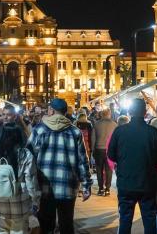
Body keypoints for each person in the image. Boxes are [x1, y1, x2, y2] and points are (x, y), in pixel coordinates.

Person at [28, 98, 92, 234]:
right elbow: (82, 161)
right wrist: (86, 184)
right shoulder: (74, 132)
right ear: (65, 112)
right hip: (68, 187)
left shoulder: (39, 130)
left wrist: (28, 185)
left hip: (45, 187)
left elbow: (29, 158)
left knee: (46, 226)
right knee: (67, 225)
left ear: (51, 110)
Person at [108, 98, 157, 234]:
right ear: (145, 112)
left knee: (125, 221)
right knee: (149, 220)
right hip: (147, 183)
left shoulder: (119, 131)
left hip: (126, 182)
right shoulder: (153, 132)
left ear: (130, 112)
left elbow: (111, 155)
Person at [0, 122, 40, 233]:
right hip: (20, 202)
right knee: (19, 230)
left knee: (2, 230)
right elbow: (30, 180)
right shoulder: (25, 154)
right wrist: (35, 200)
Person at [92, 108, 117, 196]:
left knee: (99, 169)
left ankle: (100, 188)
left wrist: (92, 150)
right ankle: (107, 189)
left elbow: (93, 138)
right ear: (109, 114)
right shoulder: (114, 125)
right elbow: (115, 139)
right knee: (109, 170)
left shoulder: (96, 124)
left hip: (99, 149)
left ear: (102, 114)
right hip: (109, 150)